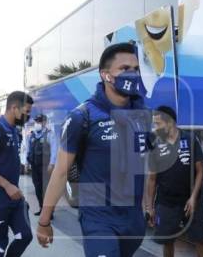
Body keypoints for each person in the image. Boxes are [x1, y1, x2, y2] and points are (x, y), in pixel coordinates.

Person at [37, 43, 152, 257]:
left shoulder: (142, 113)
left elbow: (141, 164)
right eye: (125, 69)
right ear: (106, 75)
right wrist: (44, 220)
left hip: (133, 221)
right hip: (99, 219)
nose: (133, 74)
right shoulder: (82, 116)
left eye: (136, 69)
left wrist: (148, 206)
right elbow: (61, 171)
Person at [145, 106, 203, 257]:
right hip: (166, 202)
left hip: (192, 201)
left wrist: (193, 198)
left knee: (200, 240)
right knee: (167, 241)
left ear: (170, 123)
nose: (155, 128)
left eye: (158, 124)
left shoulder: (190, 139)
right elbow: (152, 179)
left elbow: (201, 171)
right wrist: (150, 208)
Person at [0, 92, 35, 257]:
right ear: (14, 108)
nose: (28, 116)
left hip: (13, 197)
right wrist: (7, 185)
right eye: (26, 111)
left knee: (25, 236)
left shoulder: (15, 131)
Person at [23, 113, 57, 215]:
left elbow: (54, 150)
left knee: (46, 189)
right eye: (36, 121)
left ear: (44, 122)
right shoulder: (32, 135)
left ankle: (49, 212)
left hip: (46, 166)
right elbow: (28, 150)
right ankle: (42, 209)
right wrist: (26, 163)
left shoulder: (50, 134)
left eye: (39, 121)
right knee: (38, 188)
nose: (37, 123)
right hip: (34, 166)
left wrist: (52, 164)